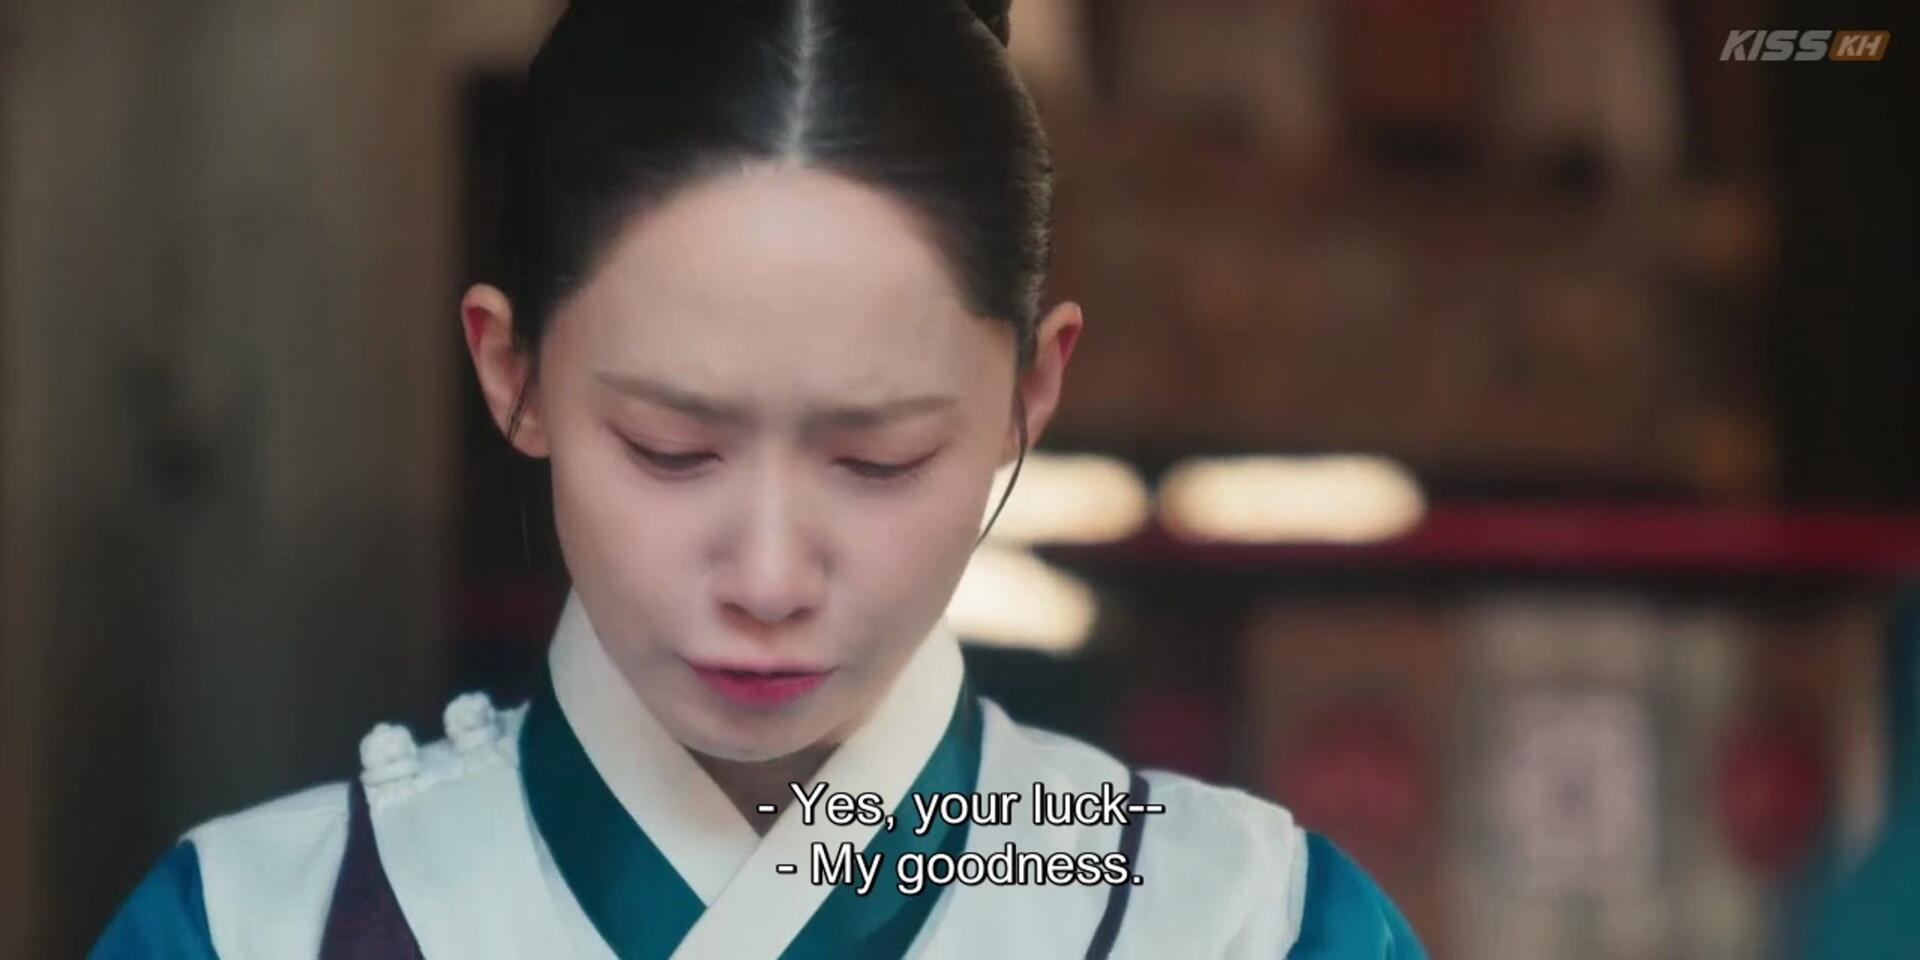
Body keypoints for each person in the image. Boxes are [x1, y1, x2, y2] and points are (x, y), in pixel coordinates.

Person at [93, 1, 1425, 956]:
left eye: (879, 459)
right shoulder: (250, 925)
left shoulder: (1249, 924)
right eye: (670, 450)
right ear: (512, 372)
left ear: (1031, 392)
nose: (770, 579)